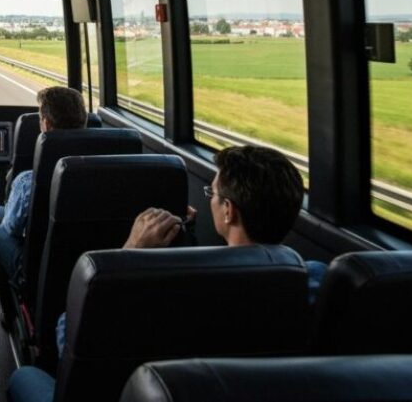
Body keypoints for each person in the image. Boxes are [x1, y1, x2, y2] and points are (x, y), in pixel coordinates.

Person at [54, 145, 327, 357]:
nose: (211, 199)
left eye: (213, 194)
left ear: (229, 211)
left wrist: (130, 252)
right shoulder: (315, 280)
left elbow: (71, 337)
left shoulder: (175, 286)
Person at [0, 86, 87, 290]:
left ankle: (10, 312)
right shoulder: (102, 173)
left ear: (46, 124)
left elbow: (13, 227)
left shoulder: (27, 182)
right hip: (85, 260)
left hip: (41, 266)